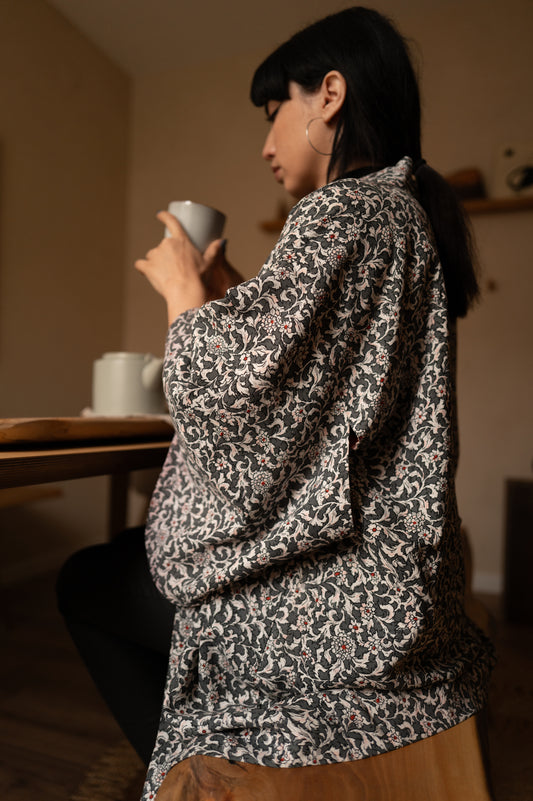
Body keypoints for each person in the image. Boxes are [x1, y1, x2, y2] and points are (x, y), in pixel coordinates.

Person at [57, 7, 495, 800]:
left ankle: (203, 780)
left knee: (88, 580)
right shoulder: (398, 213)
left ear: (328, 95)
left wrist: (183, 290)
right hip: (399, 587)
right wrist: (230, 293)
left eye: (274, 113)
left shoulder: (342, 211)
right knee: (118, 576)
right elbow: (318, 379)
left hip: (345, 604)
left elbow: (237, 409)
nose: (265, 144)